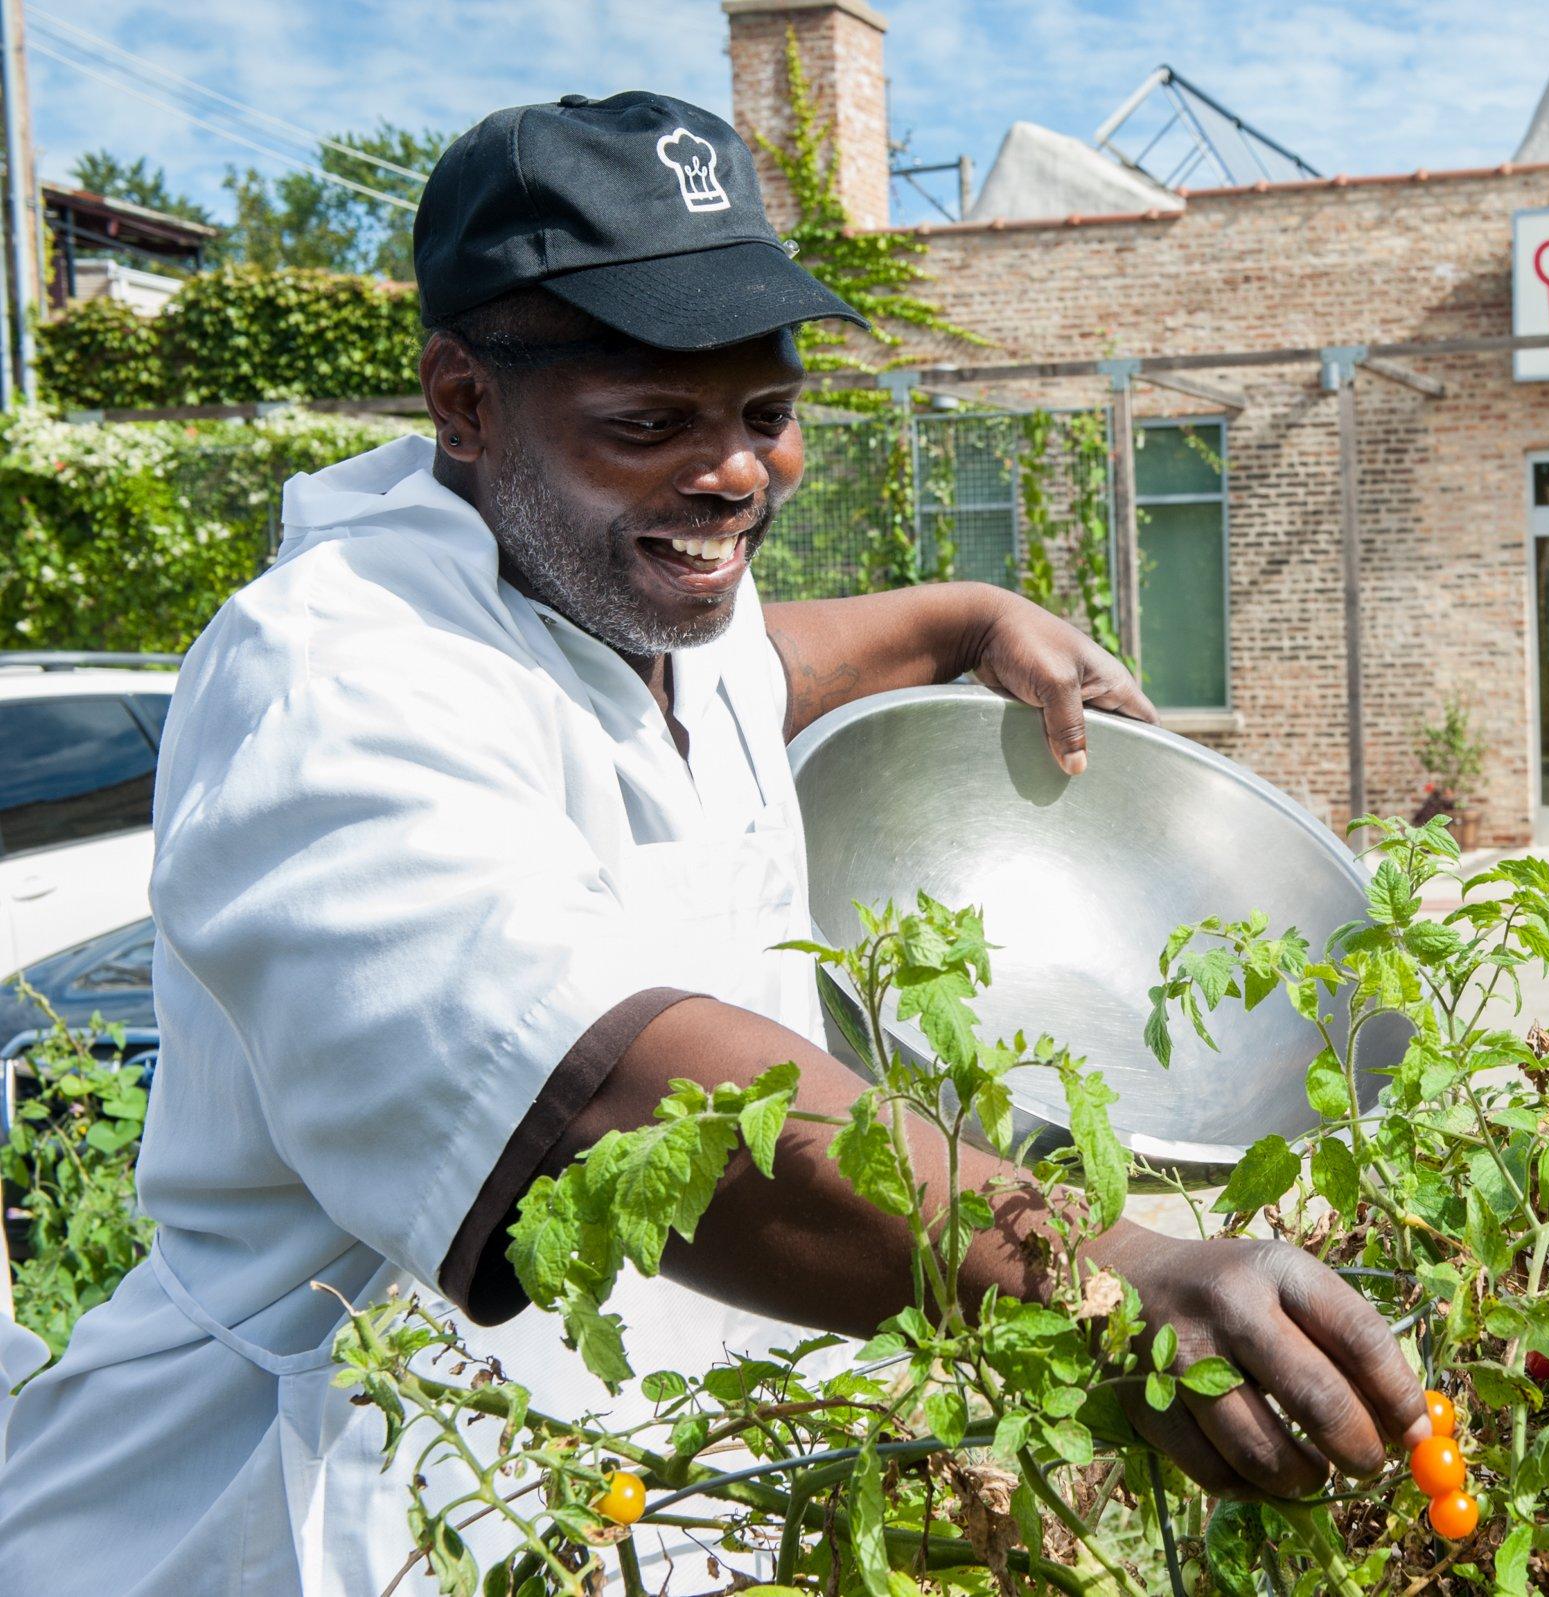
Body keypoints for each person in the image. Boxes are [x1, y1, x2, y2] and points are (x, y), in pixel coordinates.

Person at [0, 91, 1427, 1594]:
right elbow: (613, 1095)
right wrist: (1103, 1268)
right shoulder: (338, 675)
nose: (739, 473)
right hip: (311, 1525)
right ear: (465, 404)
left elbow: (780, 661)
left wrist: (968, 619)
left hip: (627, 1499)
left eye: (765, 412)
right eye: (653, 422)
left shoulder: (641, 603)